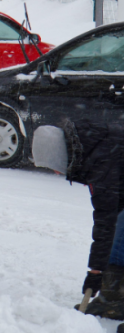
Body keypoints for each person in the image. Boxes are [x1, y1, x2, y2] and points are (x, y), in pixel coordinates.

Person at [69, 119, 124, 320]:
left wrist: (95, 272)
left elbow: (105, 221)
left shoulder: (101, 161)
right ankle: (112, 298)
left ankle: (113, 299)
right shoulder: (95, 141)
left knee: (117, 236)